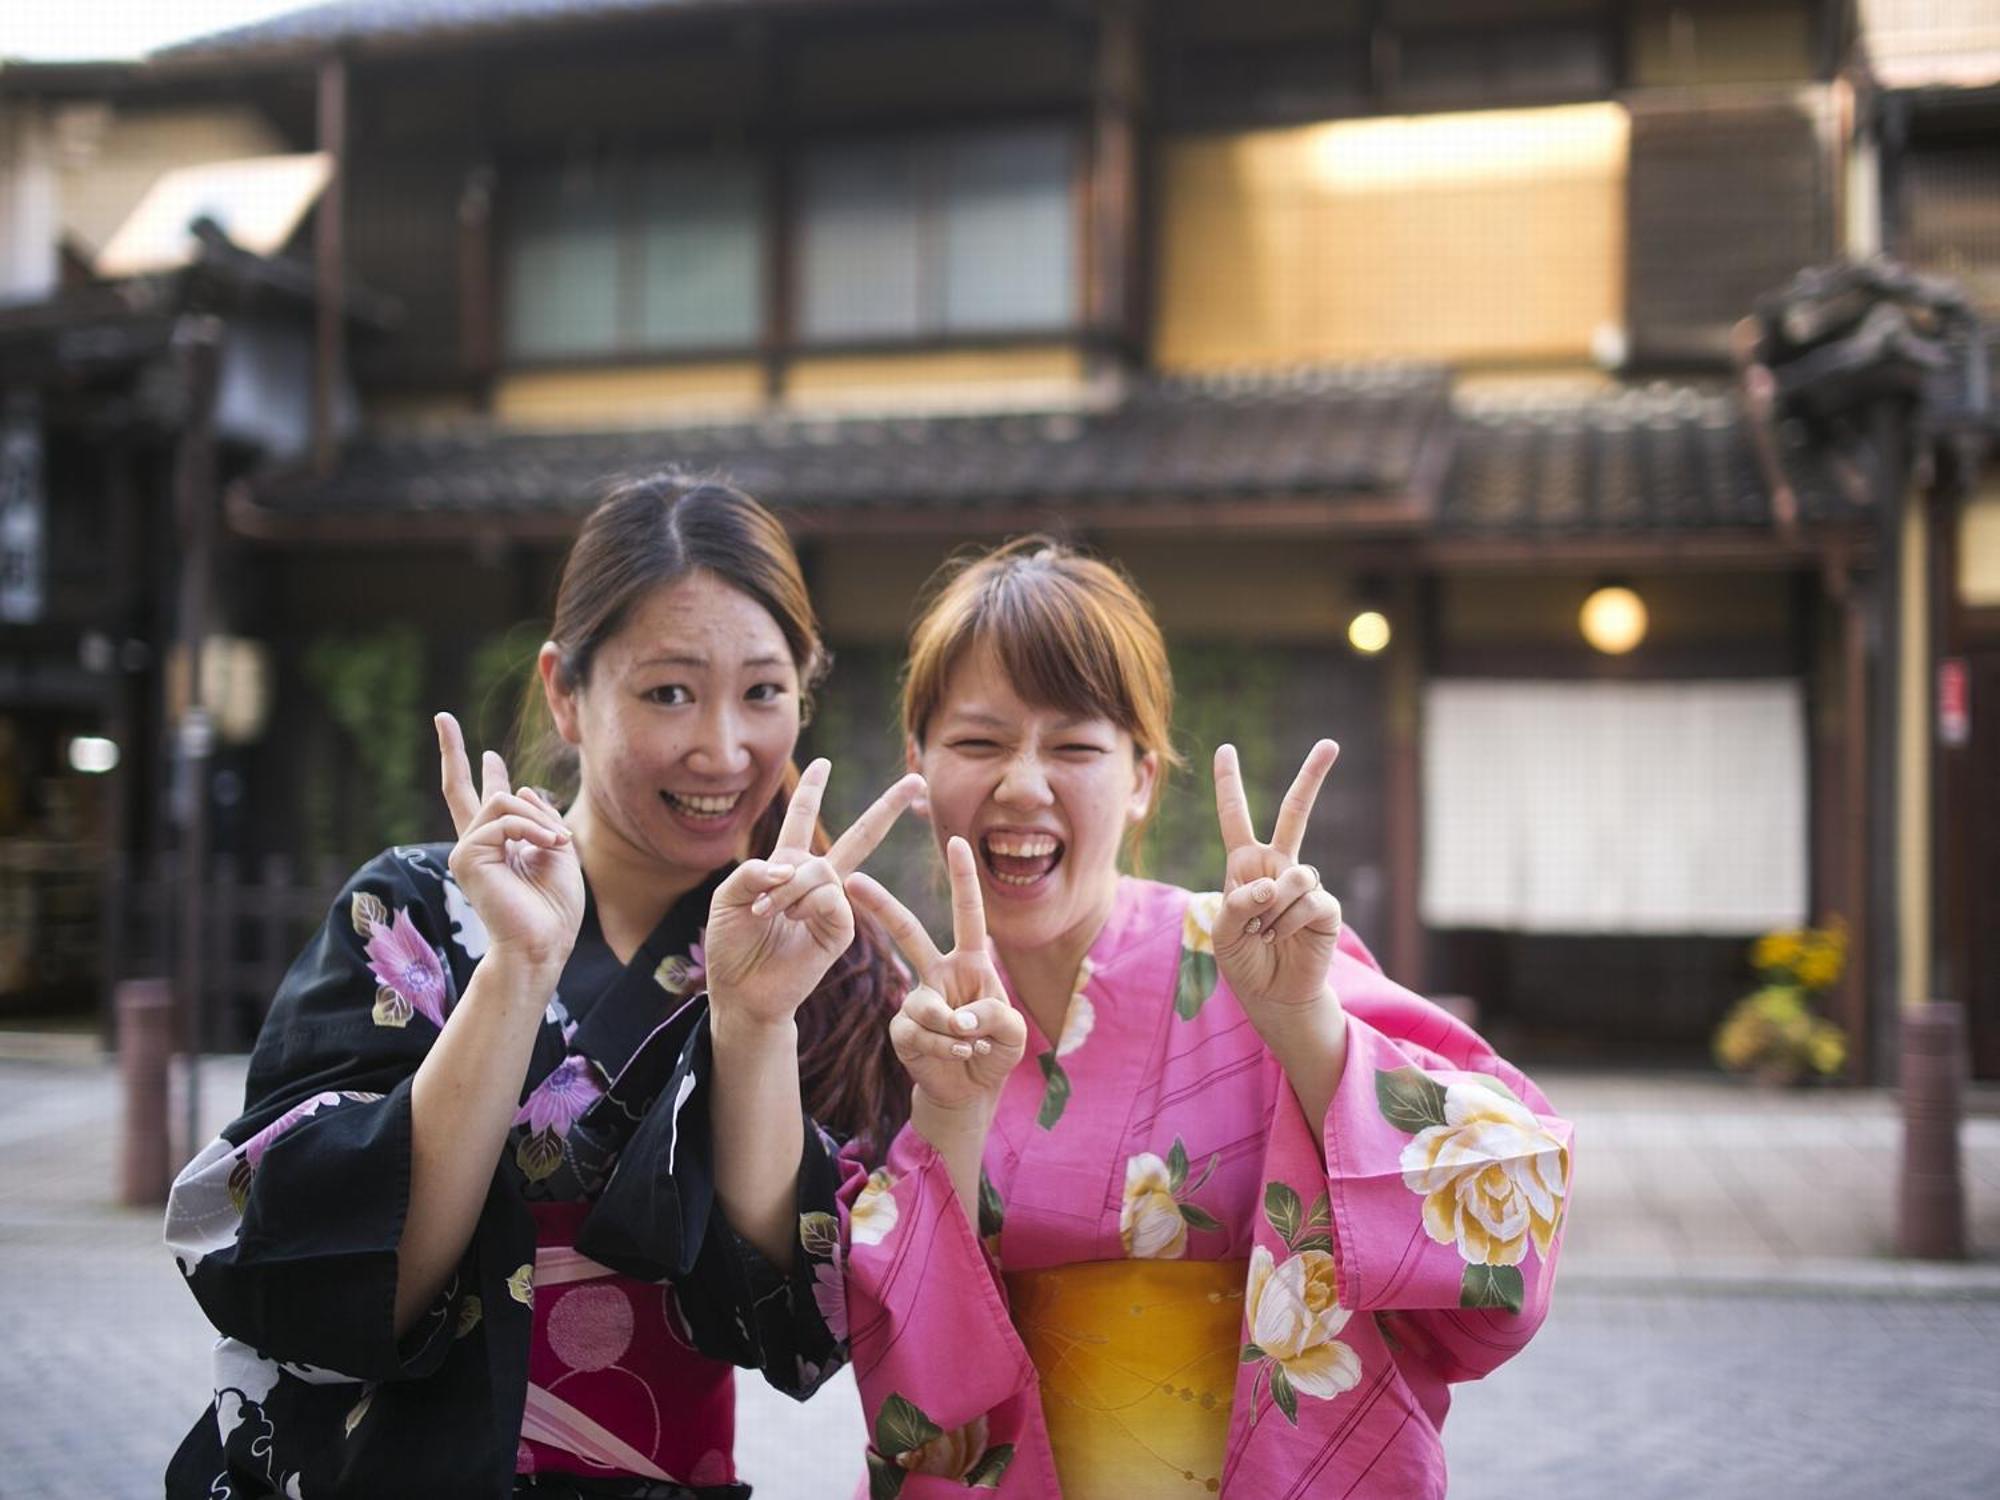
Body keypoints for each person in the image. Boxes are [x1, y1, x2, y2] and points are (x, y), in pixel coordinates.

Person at [163, 476, 919, 1499]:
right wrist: (516, 975)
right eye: (668, 691)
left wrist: (752, 1025)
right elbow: (338, 1283)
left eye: (762, 691)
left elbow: (793, 1333)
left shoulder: (813, 965)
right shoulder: (412, 914)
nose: (722, 747)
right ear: (565, 692)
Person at [835, 538, 1573, 1499]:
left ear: (1142, 775)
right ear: (919, 766)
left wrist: (1306, 1024)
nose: (1022, 783)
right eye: (978, 743)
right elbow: (892, 1355)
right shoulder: (912, 1025)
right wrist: (946, 1110)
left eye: (1074, 746)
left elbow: (1511, 1212)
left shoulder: (1257, 959)